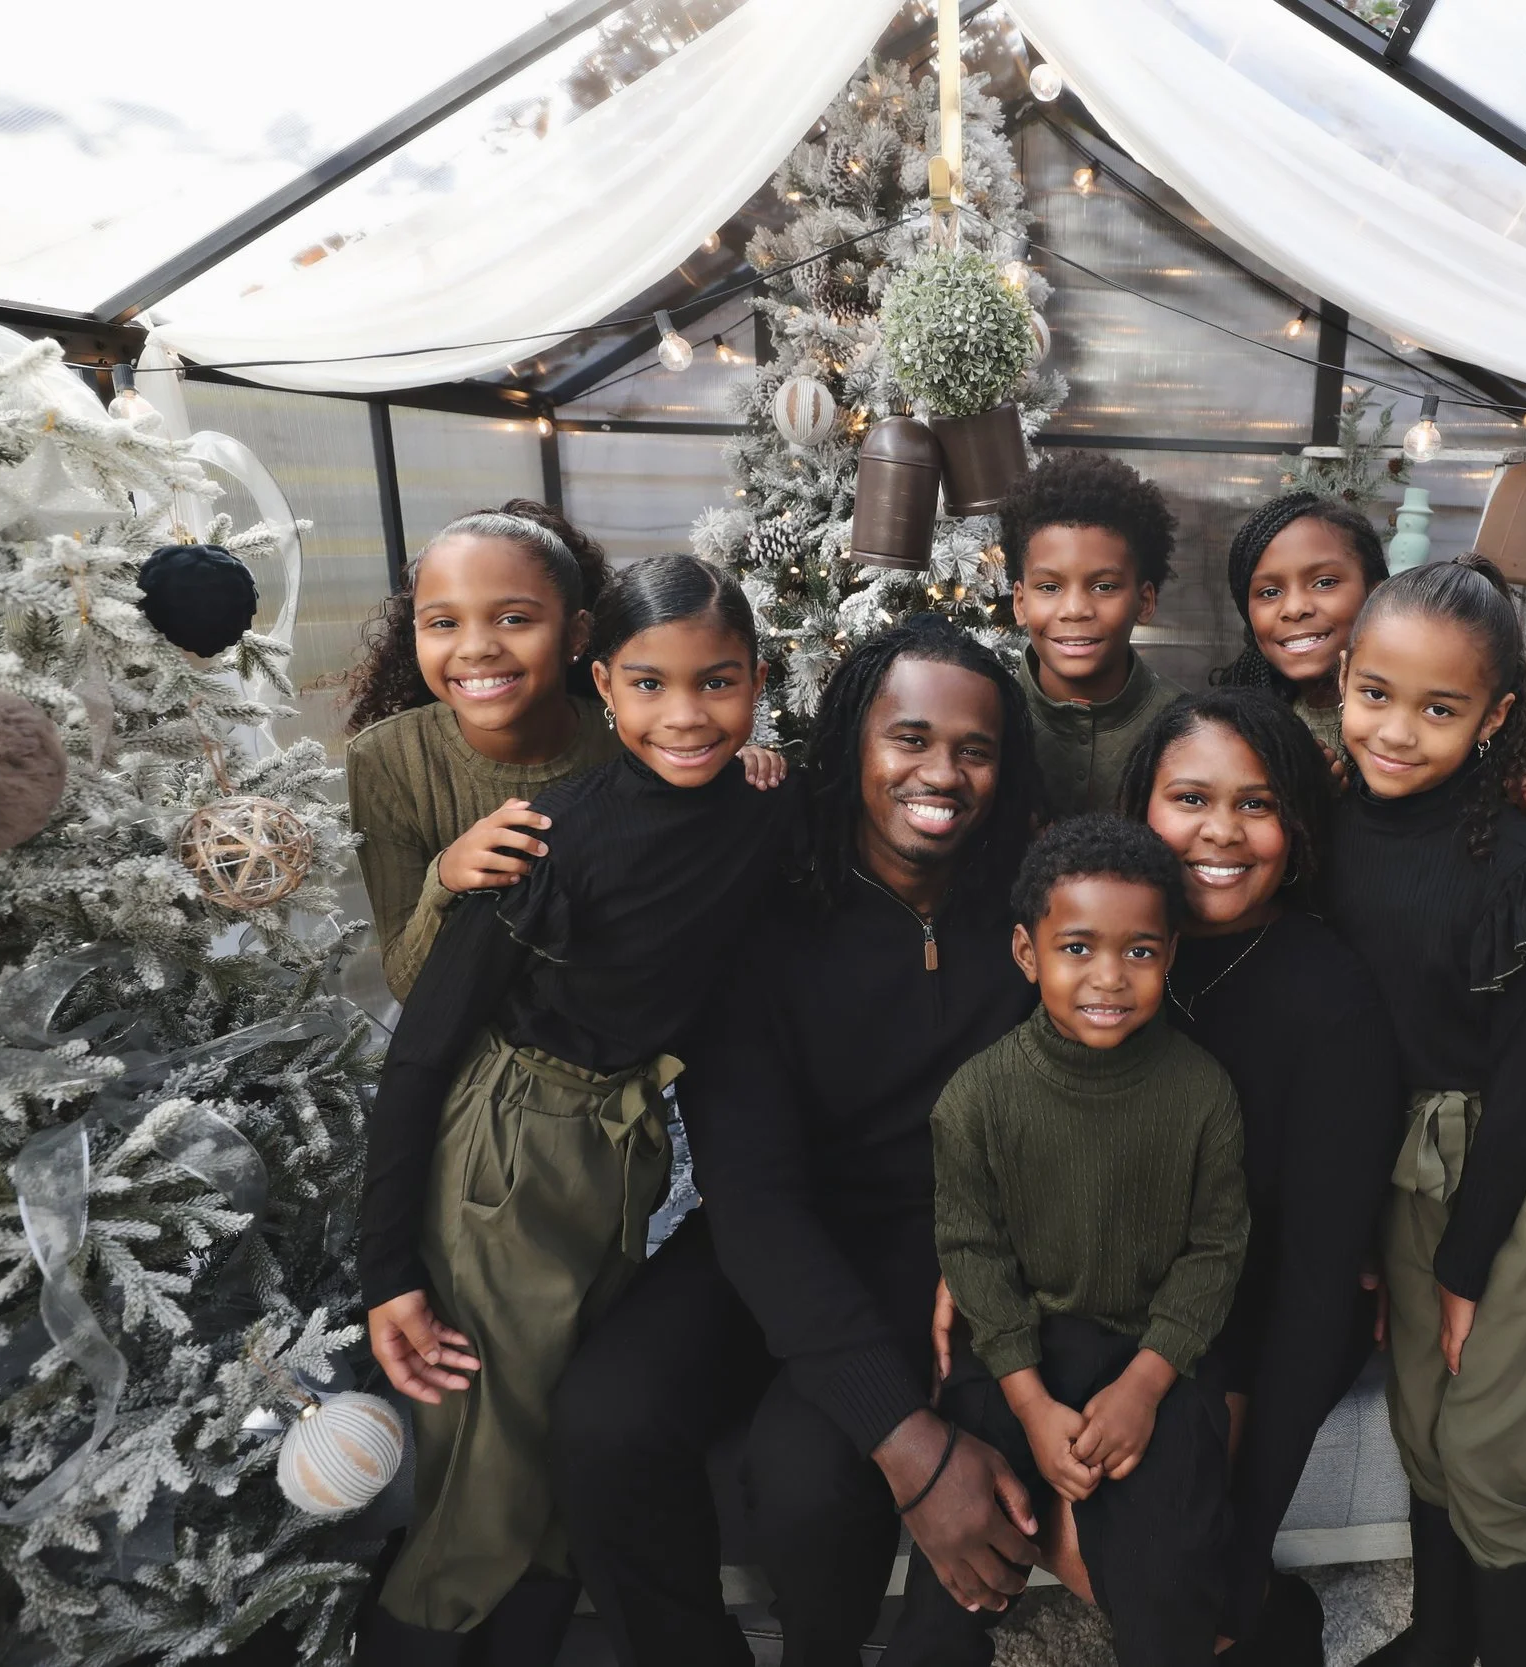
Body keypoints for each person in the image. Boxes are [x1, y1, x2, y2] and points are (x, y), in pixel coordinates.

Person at [548, 612, 1048, 1667]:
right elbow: (754, 1193)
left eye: (974, 747)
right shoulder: (766, 909)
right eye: (908, 737)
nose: (941, 771)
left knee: (808, 1471)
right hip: (770, 1226)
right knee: (603, 1421)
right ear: (853, 745)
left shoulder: (1034, 917)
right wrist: (912, 1444)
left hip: (942, 1244)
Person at [356, 555, 797, 1666]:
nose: (687, 714)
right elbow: (420, 1056)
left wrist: (774, 765)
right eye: (649, 684)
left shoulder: (762, 804)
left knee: (561, 1480)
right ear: (603, 683)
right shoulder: (547, 837)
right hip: (503, 1156)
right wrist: (388, 1274)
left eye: (720, 681)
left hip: (620, 1148)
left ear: (756, 680)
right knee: (486, 1492)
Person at [1323, 554, 1526, 1667]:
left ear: (1492, 719)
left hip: (1510, 1154)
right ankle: (1438, 1641)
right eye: (1375, 693)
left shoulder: (1522, 857)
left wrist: (1465, 1266)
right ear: (1343, 674)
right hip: (1401, 1144)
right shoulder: (1329, 818)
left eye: (1439, 708)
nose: (1396, 729)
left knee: (1488, 1442)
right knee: (1421, 1418)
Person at [885, 815, 1249, 1667]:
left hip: (1153, 1356)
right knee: (956, 1574)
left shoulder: (1204, 1093)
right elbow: (972, 1253)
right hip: (1019, 1358)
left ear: (1171, 952)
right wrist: (1029, 1406)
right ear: (1027, 951)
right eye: (1078, 948)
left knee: (1171, 1584)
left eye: (1141, 952)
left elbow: (1217, 1249)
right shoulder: (978, 1096)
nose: (1109, 978)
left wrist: (1146, 1386)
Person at [1120, 690, 1402, 1665]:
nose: (1221, 832)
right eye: (1189, 797)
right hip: (1107, 1301)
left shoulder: (1329, 995)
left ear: (1296, 826)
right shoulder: (1096, 950)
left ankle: (1270, 1618)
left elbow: (1318, 1288)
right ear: (1140, 809)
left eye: (1257, 802)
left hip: (1254, 1316)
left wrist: (1247, 1540)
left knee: (1197, 1573)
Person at [343, 504, 784, 1000]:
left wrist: (728, 762)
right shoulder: (385, 758)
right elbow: (408, 986)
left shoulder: (633, 735)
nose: (476, 648)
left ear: (577, 634)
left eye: (512, 618)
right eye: (443, 623)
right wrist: (445, 878)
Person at [1211, 492, 1526, 867]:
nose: (1294, 608)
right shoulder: (1249, 730)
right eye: (1269, 592)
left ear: (1377, 592)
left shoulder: (1479, 735)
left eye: (1325, 582)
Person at [1002, 452, 1186, 816]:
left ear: (1144, 601)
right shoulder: (987, 714)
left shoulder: (1185, 726)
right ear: (1020, 603)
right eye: (1050, 587)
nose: (1075, 609)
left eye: (1103, 587)